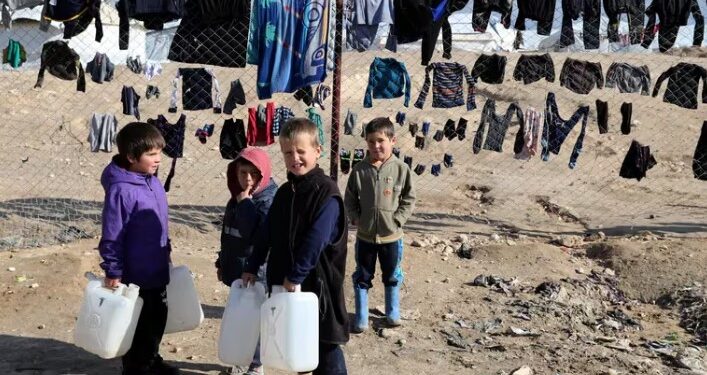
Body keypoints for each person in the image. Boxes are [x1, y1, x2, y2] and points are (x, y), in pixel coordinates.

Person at [242, 118, 349, 375]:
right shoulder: (285, 192)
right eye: (288, 152)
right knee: (298, 343)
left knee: (325, 346)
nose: (295, 158)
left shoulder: (327, 193)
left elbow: (317, 239)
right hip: (286, 282)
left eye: (301, 151)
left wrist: (296, 274)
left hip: (318, 285)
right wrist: (252, 265)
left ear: (317, 151)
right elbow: (266, 232)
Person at [98, 122, 179, 375]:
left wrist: (166, 250)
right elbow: (112, 234)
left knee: (157, 316)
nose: (158, 159)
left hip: (156, 265)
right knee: (137, 322)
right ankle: (135, 367)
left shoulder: (151, 181)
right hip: (135, 273)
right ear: (132, 157)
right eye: (151, 155)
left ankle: (150, 359)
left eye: (159, 153)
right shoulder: (121, 191)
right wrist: (113, 270)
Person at [344, 117, 416, 333]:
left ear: (392, 140)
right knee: (363, 274)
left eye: (380, 141)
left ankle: (392, 312)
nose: (376, 146)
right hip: (365, 236)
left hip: (391, 237)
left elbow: (409, 198)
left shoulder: (401, 169)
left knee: (392, 273)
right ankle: (362, 317)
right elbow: (349, 198)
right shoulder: (359, 170)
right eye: (370, 141)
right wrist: (355, 216)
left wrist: (398, 220)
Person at [216, 147, 277, 375]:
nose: (248, 179)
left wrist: (245, 205)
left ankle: (256, 363)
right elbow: (229, 233)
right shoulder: (239, 197)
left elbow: (254, 234)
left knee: (256, 319)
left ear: (264, 174)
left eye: (254, 173)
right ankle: (242, 357)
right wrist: (221, 262)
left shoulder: (265, 201)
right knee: (241, 315)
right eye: (243, 173)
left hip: (256, 270)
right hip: (238, 267)